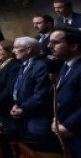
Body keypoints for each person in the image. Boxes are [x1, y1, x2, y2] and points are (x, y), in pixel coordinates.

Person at [51, 26, 81, 158]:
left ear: (73, 46)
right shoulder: (66, 64)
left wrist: (68, 125)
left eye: (55, 42)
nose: (49, 46)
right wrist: (57, 118)